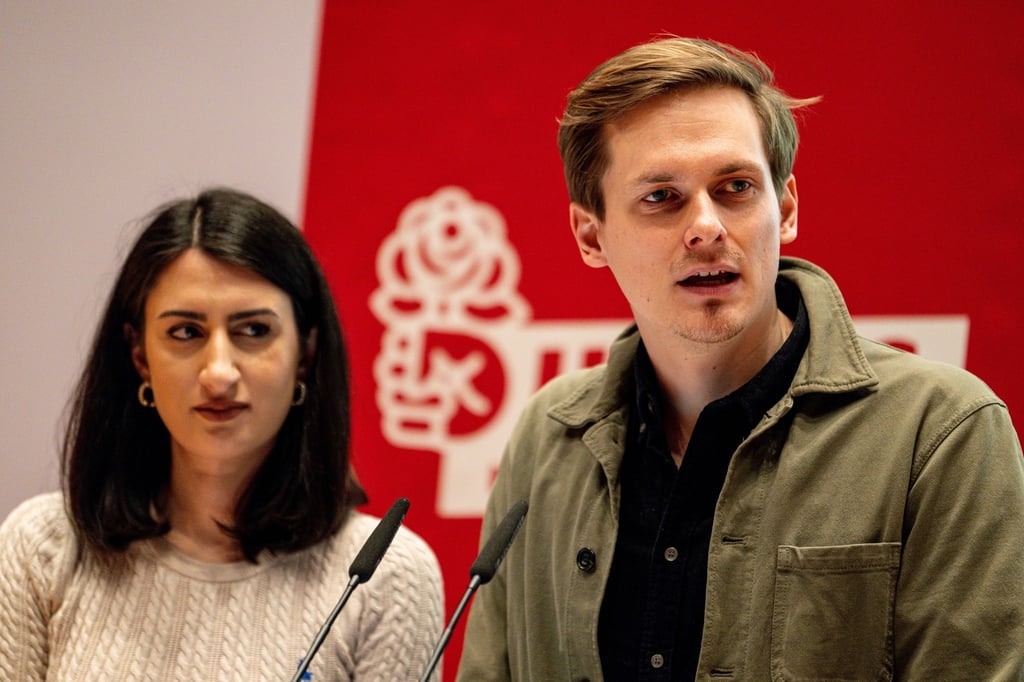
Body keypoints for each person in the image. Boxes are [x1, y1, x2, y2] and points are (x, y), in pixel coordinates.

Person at [457, 37, 1024, 681]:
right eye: (661, 198)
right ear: (591, 236)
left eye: (735, 187)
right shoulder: (547, 435)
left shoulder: (940, 431)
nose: (706, 227)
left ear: (783, 210)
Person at [0, 188, 444, 680]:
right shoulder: (44, 548)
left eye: (253, 330)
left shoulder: (385, 574)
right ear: (139, 356)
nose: (218, 373)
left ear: (306, 352)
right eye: (186, 332)